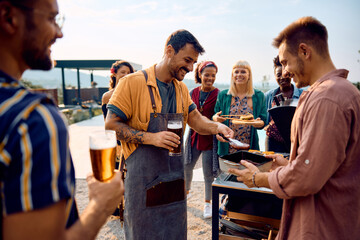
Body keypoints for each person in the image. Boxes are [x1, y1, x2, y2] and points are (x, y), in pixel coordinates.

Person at [0, 0, 124, 239]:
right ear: (8, 17)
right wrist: (101, 206)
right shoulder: (32, 121)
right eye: (50, 18)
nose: (59, 32)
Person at [229, 16, 360, 239]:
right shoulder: (343, 91)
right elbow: (327, 163)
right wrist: (290, 163)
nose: (285, 71)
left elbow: (306, 177)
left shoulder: (326, 99)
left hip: (322, 226)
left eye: (286, 62)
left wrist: (257, 178)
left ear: (304, 51)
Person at [105, 29, 233, 239]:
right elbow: (111, 123)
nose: (192, 68)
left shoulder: (181, 89)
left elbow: (197, 121)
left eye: (193, 63)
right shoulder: (132, 83)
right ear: (169, 50)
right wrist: (151, 138)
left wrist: (218, 128)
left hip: (174, 183)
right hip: (142, 183)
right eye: (187, 60)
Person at [184, 61, 220, 219]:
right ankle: (186, 193)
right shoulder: (192, 92)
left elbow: (220, 115)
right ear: (200, 75)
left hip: (209, 139)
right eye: (207, 75)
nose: (210, 78)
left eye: (213, 75)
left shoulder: (219, 94)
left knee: (208, 174)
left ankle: (207, 203)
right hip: (193, 136)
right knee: (186, 166)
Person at [213, 60, 267, 155]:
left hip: (249, 147)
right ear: (232, 75)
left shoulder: (259, 96)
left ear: (249, 75)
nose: (239, 74)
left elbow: (263, 121)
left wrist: (258, 123)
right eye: (236, 72)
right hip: (227, 146)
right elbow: (214, 118)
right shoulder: (223, 95)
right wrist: (215, 118)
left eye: (243, 71)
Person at [264, 55, 303, 152]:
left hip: (295, 141)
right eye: (278, 75)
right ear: (275, 76)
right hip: (272, 142)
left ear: (291, 74)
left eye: (286, 74)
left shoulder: (302, 95)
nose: (282, 77)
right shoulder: (269, 96)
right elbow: (263, 120)